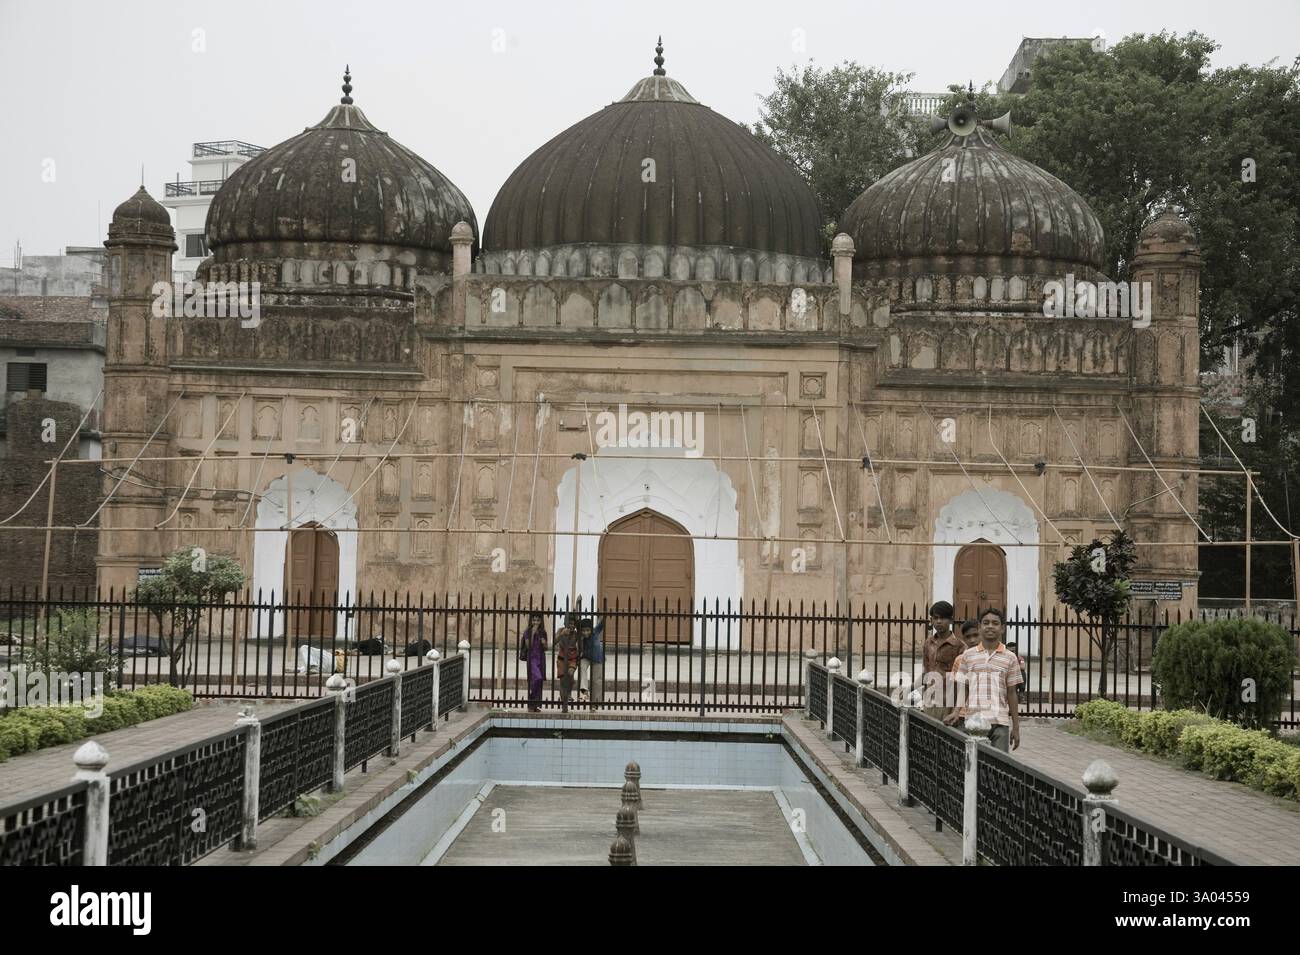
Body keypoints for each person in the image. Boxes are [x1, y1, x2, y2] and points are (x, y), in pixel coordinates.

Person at [945, 607, 1023, 752]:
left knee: (998, 768)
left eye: (995, 623)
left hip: (1000, 722)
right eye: (986, 623)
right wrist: (956, 712)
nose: (990, 626)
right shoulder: (967, 656)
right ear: (980, 627)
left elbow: (1012, 693)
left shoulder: (1010, 658)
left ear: (1003, 628)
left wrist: (1016, 727)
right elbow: (964, 687)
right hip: (973, 721)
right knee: (972, 765)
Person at [920, 601, 965, 718]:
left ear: (951, 620)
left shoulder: (959, 646)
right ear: (931, 620)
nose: (939, 621)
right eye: (936, 618)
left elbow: (962, 680)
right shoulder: (928, 643)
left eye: (943, 618)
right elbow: (926, 671)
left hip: (948, 702)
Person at [519, 612, 548, 712]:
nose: (536, 622)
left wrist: (544, 643)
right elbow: (528, 646)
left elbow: (546, 648)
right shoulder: (527, 631)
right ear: (531, 621)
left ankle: (535, 705)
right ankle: (531, 700)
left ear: (541, 621)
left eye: (538, 620)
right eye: (534, 620)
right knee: (536, 678)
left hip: (541, 658)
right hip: (532, 659)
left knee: (539, 682)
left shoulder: (543, 632)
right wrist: (533, 633)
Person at [553, 614, 581, 713]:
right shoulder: (561, 630)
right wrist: (562, 635)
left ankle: (568, 693)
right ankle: (564, 704)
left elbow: (580, 643)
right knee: (562, 682)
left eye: (573, 624)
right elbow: (554, 642)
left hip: (572, 659)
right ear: (565, 623)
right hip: (561, 659)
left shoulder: (576, 634)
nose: (571, 626)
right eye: (569, 624)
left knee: (570, 675)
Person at [578, 617, 605, 707]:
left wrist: (605, 614)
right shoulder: (581, 637)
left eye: (587, 630)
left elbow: (601, 624)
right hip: (586, 657)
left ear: (591, 629)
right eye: (583, 631)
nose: (585, 633)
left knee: (596, 681)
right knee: (582, 666)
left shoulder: (595, 631)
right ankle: (584, 690)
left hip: (597, 658)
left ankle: (595, 703)